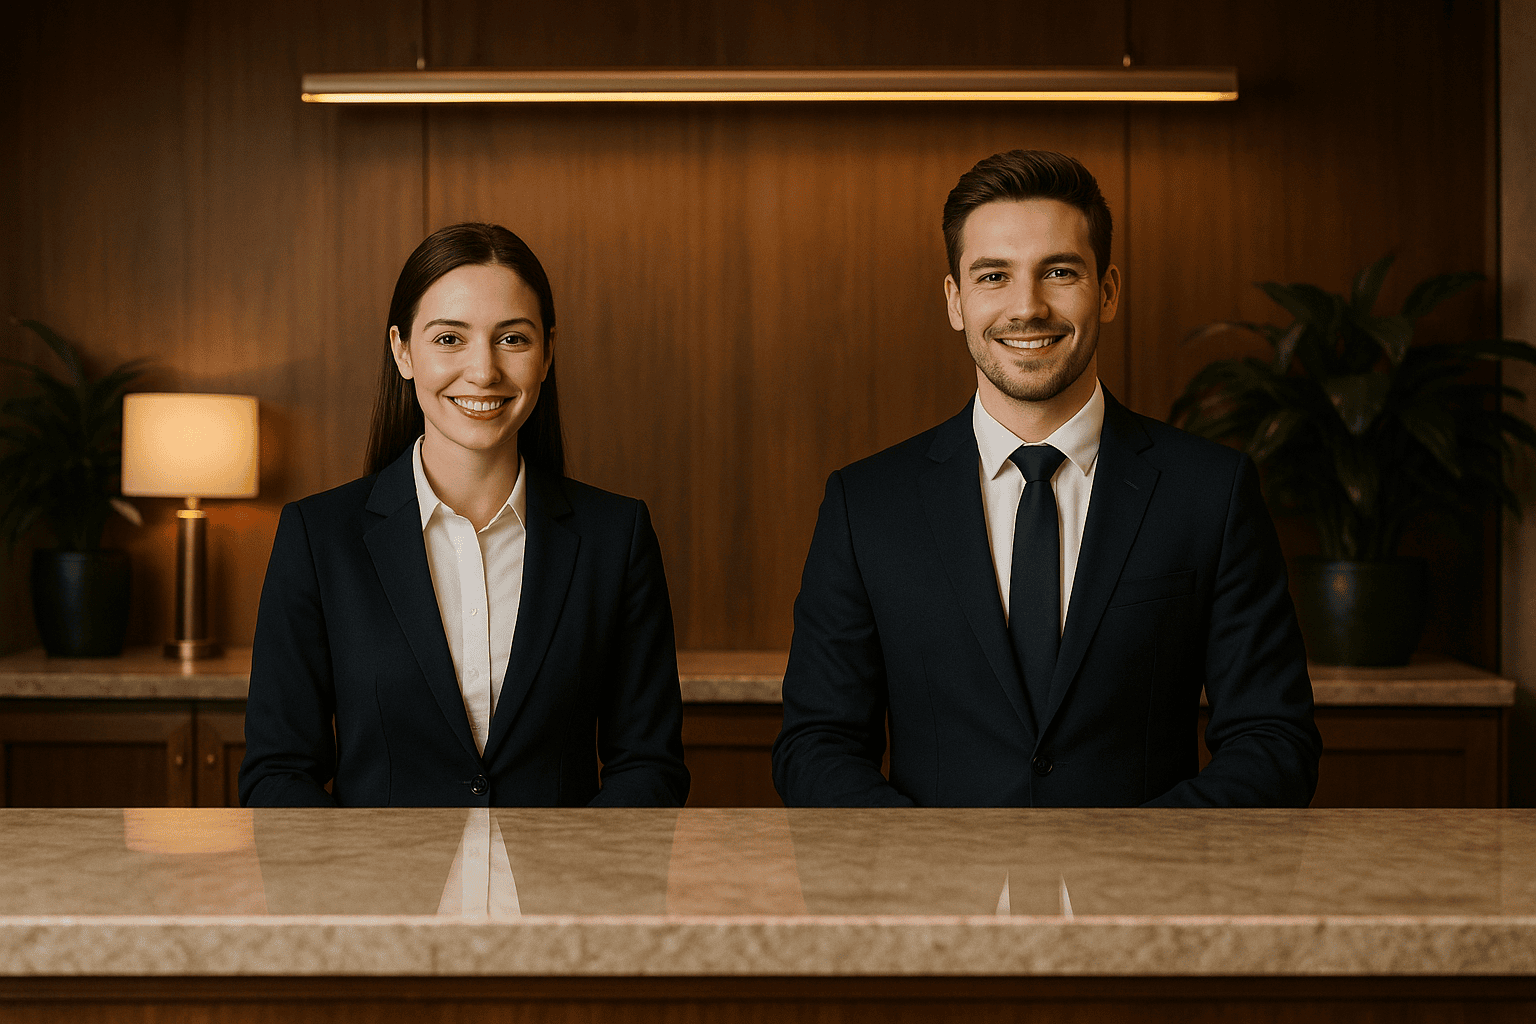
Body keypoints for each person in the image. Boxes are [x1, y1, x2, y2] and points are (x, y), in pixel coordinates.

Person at [772, 150, 1320, 808]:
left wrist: (1136, 867)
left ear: (1108, 290)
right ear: (955, 300)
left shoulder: (1212, 492)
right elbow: (817, 745)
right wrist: (926, 875)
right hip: (934, 901)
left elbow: (1273, 738)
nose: (1027, 307)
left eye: (1059, 271)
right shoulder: (867, 506)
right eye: (993, 275)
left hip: (1141, 901)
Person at [240, 223, 689, 807]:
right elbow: (278, 776)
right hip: (381, 894)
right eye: (450, 339)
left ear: (548, 352)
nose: (483, 371)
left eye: (512, 339)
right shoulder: (319, 538)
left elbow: (649, 767)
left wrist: (575, 892)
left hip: (562, 893)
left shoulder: (616, 536)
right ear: (402, 351)